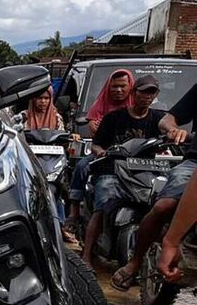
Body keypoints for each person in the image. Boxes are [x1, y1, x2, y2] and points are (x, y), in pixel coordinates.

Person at [115, 82, 197, 287]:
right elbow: (167, 120)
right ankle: (135, 262)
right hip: (193, 162)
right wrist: (173, 130)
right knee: (164, 206)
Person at [82, 75, 164, 266]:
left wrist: (175, 134)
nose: (147, 96)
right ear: (134, 93)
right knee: (103, 205)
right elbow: (96, 145)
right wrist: (102, 152)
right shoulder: (114, 118)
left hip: (144, 172)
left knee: (161, 204)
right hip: (112, 170)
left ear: (156, 95)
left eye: (151, 92)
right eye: (143, 91)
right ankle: (86, 255)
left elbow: (169, 127)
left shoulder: (158, 118)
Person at [66, 69, 134, 235]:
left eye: (122, 86)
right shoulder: (102, 104)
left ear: (130, 87)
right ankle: (74, 211)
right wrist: (93, 128)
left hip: (134, 156)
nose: (118, 90)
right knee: (81, 166)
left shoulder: (137, 107)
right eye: (115, 86)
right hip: (104, 153)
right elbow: (94, 132)